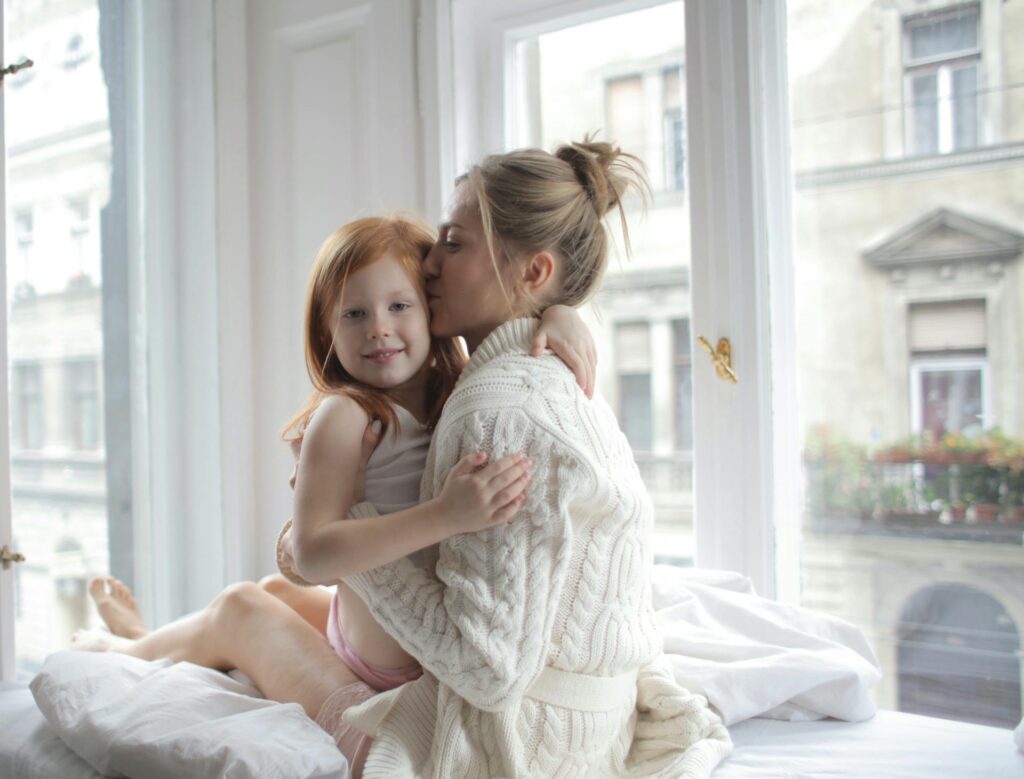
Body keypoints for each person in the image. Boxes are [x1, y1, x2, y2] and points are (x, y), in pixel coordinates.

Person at [74, 214, 597, 776]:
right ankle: (128, 650)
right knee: (244, 602)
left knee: (265, 594)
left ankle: (148, 638)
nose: (378, 328)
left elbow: (523, 339)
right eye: (354, 313)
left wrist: (561, 315)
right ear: (327, 331)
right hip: (384, 659)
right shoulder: (346, 415)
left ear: (433, 312)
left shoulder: (466, 390)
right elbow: (313, 553)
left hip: (407, 654)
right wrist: (444, 515)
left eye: (399, 306)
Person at [305, 138, 733, 777]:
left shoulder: (495, 409)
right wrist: (558, 312)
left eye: (453, 243)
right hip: (593, 729)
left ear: (532, 273)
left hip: (522, 744)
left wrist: (354, 526)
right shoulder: (549, 380)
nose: (427, 265)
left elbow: (487, 671)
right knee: (267, 597)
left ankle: (125, 640)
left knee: (246, 612)